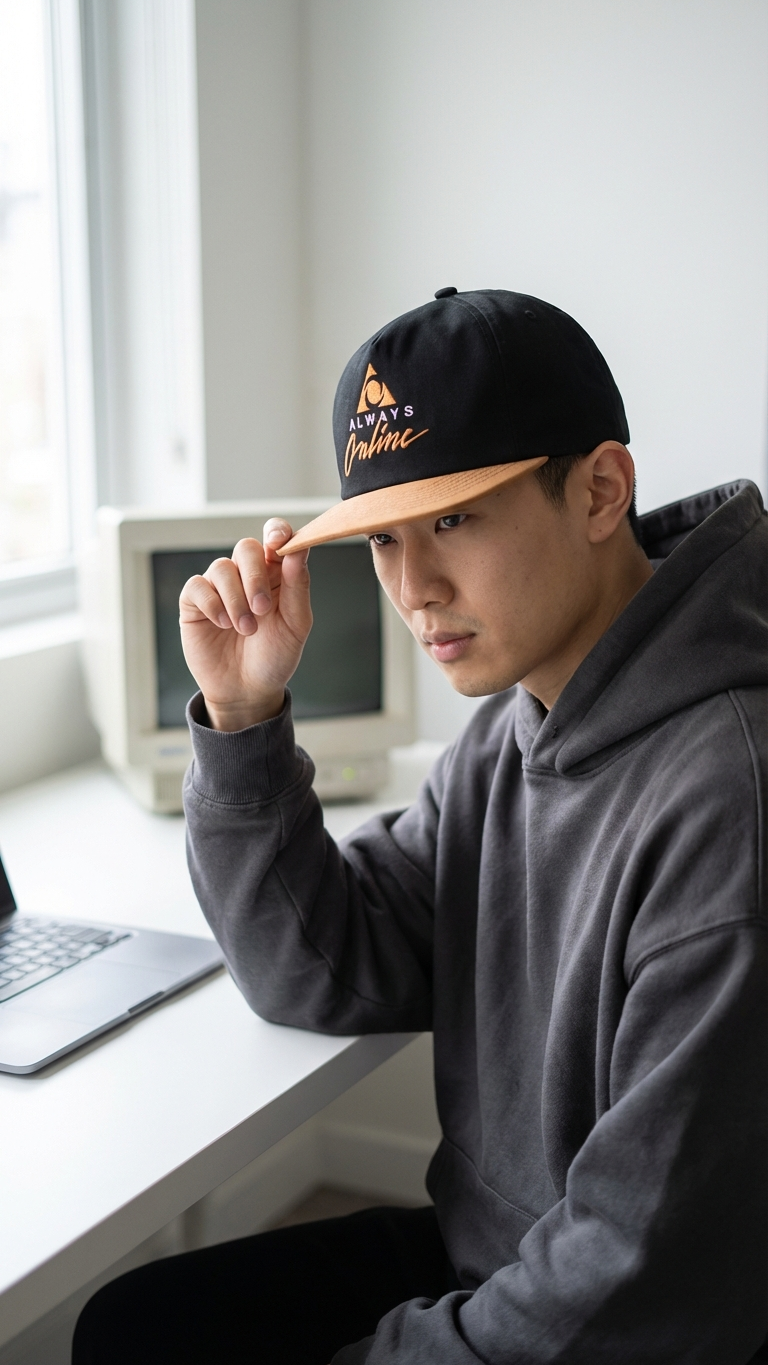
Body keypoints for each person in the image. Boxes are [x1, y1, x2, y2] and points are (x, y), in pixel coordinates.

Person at [73, 289, 767, 1364]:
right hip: (498, 1262)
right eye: (384, 541)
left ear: (599, 490)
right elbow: (322, 967)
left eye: (452, 522)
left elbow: (644, 1279)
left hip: (621, 1324)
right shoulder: (520, 723)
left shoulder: (730, 800)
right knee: (133, 1328)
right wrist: (247, 720)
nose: (413, 589)